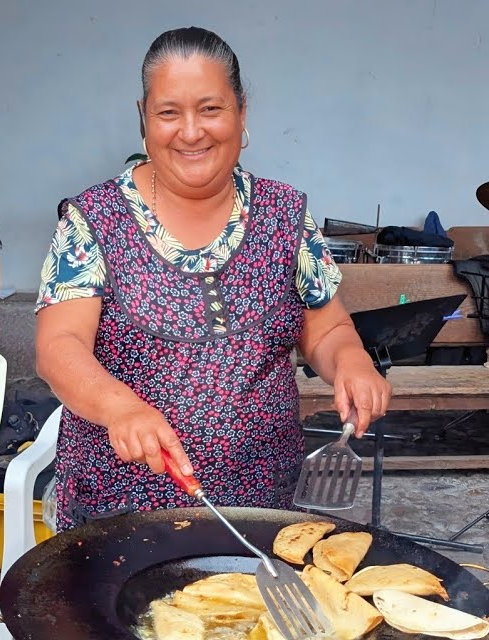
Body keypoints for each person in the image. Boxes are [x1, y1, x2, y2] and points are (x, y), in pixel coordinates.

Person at [34, 27, 391, 530]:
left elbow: (326, 329)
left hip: (263, 507)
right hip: (119, 513)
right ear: (144, 118)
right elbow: (59, 347)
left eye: (210, 109)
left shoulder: (283, 213)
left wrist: (351, 361)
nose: (191, 131)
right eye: (168, 112)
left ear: (241, 113)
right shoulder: (93, 220)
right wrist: (122, 410)